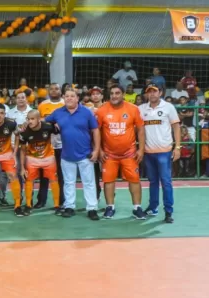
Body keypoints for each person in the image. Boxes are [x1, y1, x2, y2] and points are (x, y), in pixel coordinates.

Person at [45, 88, 101, 220]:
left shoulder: (86, 112)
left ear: (77, 98)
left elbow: (96, 131)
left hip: (85, 154)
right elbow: (44, 120)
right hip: (66, 155)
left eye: (72, 96)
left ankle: (92, 208)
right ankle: (69, 206)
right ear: (64, 98)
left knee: (89, 183)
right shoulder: (58, 113)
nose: (69, 98)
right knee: (68, 182)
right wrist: (51, 125)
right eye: (67, 96)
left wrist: (96, 150)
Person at [96, 85, 147, 220]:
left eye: (117, 93)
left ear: (123, 94)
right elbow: (96, 132)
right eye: (112, 93)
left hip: (129, 153)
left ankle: (137, 208)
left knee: (134, 180)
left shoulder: (133, 109)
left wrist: (141, 149)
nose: (114, 96)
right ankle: (110, 207)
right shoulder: (102, 110)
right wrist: (99, 150)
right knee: (108, 181)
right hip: (109, 154)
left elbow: (141, 129)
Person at [139, 84, 181, 224]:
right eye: (149, 92)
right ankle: (153, 207)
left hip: (164, 152)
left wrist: (178, 147)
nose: (152, 94)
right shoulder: (141, 109)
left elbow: (176, 127)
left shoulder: (168, 107)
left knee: (166, 182)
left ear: (161, 92)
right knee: (152, 182)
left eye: (155, 91)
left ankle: (168, 211)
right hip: (148, 152)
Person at [19, 110, 61, 216]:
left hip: (48, 157)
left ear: (39, 119)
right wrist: (22, 168)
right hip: (32, 158)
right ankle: (28, 205)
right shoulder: (24, 132)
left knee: (54, 180)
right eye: (28, 119)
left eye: (32, 119)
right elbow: (23, 150)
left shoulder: (48, 126)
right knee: (29, 180)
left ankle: (57, 206)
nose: (30, 121)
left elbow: (59, 130)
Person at [37, 83, 65, 208]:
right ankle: (41, 200)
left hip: (62, 144)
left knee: (60, 173)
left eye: (56, 89)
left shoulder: (65, 103)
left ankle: (61, 200)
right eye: (52, 89)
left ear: (60, 91)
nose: (54, 91)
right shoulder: (42, 105)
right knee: (44, 174)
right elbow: (37, 122)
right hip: (45, 144)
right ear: (48, 91)